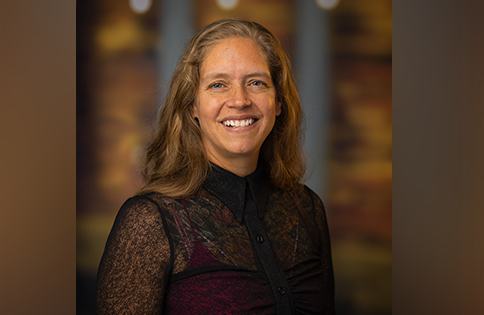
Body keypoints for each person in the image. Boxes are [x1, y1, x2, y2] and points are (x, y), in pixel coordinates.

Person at [96, 18, 335, 314]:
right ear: (192, 105)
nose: (239, 100)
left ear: (279, 102)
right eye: (218, 84)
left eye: (256, 82)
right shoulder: (149, 222)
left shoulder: (307, 209)